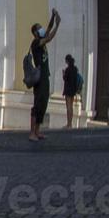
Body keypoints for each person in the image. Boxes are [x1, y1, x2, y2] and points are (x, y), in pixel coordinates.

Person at [27, 8, 61, 142]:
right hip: (40, 78)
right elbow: (50, 37)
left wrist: (53, 17)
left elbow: (47, 30)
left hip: (45, 76)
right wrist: (58, 25)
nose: (42, 30)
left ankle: (37, 131)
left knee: (43, 104)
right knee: (37, 104)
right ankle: (31, 133)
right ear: (35, 32)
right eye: (39, 28)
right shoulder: (36, 43)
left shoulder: (41, 39)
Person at [62, 54, 83, 129]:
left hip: (68, 90)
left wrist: (63, 74)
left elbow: (65, 79)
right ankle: (70, 123)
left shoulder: (68, 69)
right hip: (73, 90)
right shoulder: (75, 69)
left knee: (68, 107)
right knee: (71, 106)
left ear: (67, 61)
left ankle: (69, 124)